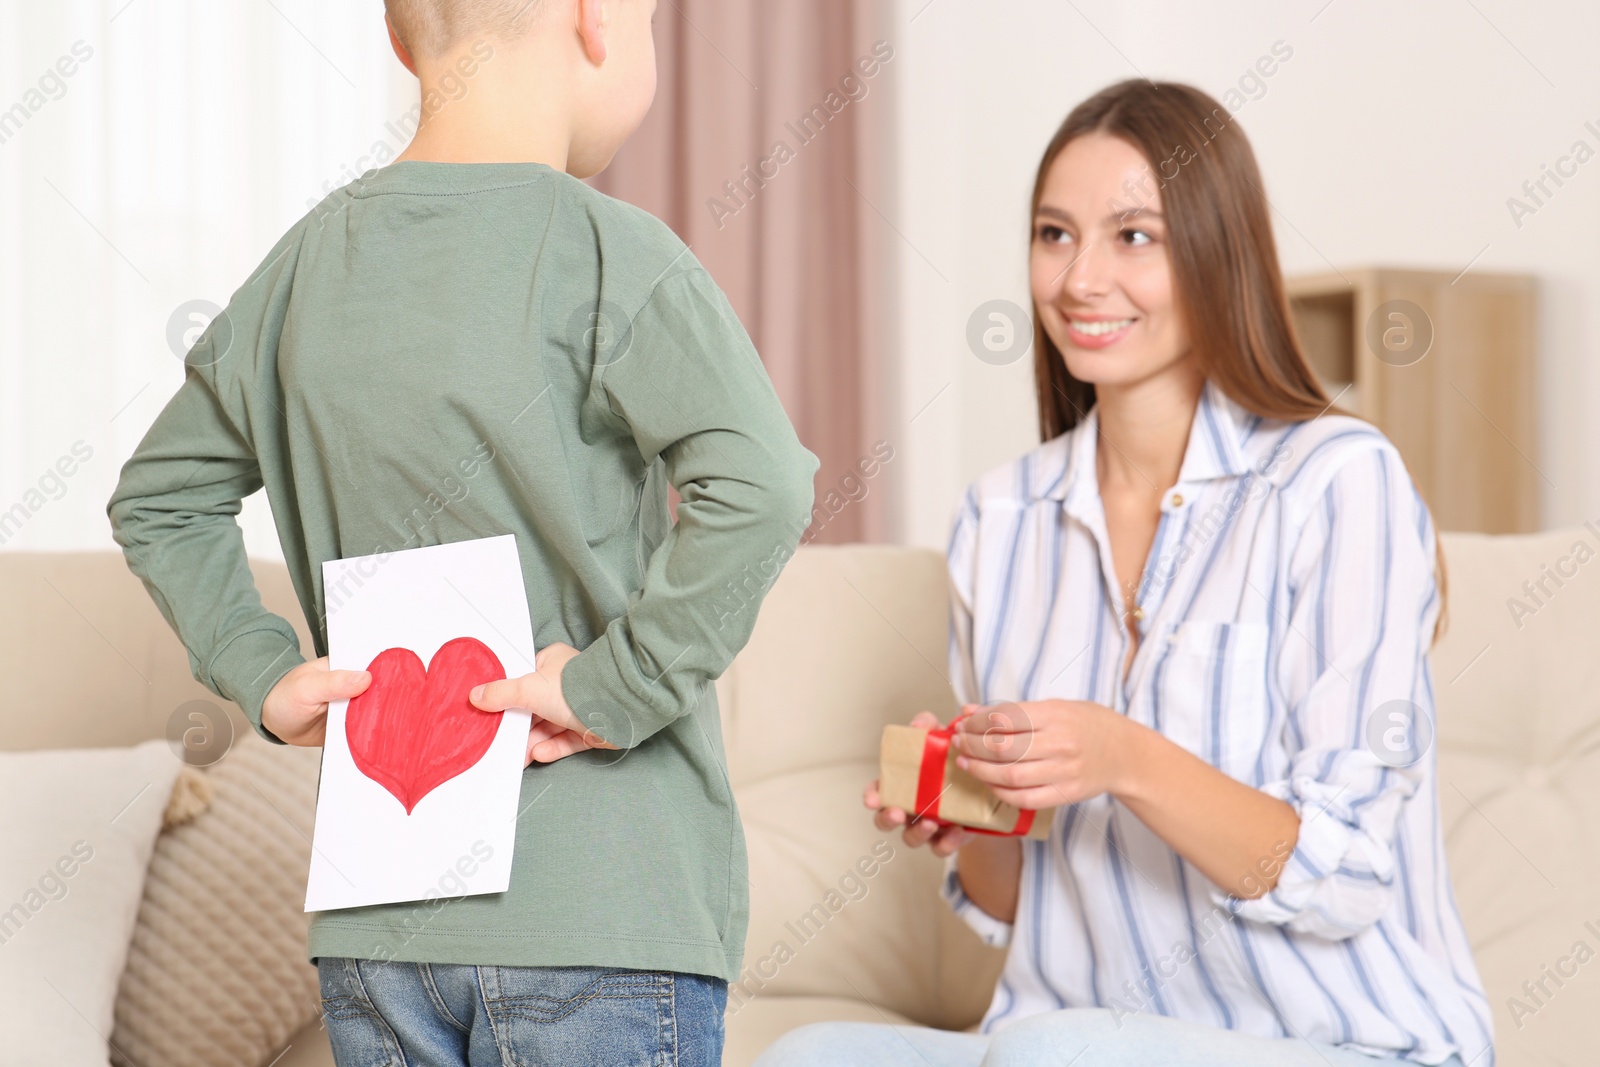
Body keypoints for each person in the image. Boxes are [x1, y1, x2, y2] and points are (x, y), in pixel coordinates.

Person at [107, 1, 817, 1064]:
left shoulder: (305, 266)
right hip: (603, 910)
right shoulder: (609, 252)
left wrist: (263, 671)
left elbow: (157, 495)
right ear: (596, 18)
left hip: (380, 922)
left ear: (403, 42)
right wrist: (607, 687)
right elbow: (762, 486)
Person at [757, 80, 1492, 1067]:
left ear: (1214, 250)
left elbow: (1345, 871)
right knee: (810, 1055)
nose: (1079, 278)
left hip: (1345, 1038)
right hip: (1070, 1034)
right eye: (1054, 234)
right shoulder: (999, 519)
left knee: (1051, 1053)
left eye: (1132, 236)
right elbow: (1008, 903)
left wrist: (1123, 755)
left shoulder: (1336, 481)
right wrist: (969, 808)